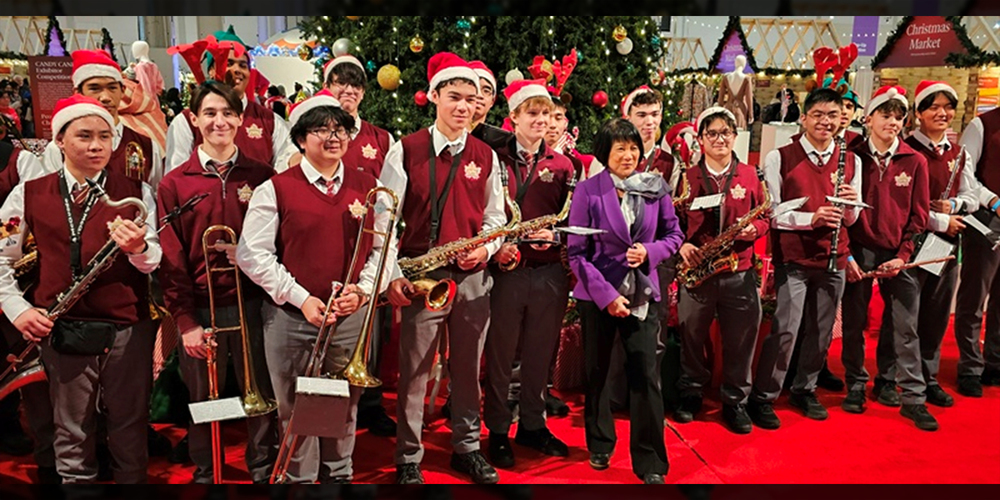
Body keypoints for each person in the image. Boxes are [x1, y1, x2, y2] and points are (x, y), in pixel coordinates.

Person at [0, 94, 162, 483]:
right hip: (63, 329)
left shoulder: (135, 191)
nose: (96, 146)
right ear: (59, 140)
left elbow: (155, 258)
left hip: (128, 328)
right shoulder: (30, 192)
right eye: (84, 136)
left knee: (129, 427)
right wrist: (19, 310)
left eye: (105, 137)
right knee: (71, 431)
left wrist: (138, 248)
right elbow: (1, 258)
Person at [237, 90, 392, 483]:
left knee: (344, 406)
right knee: (296, 408)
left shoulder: (369, 185)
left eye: (340, 129)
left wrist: (363, 290)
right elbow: (252, 254)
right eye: (321, 129)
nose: (333, 137)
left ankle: (339, 476)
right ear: (302, 139)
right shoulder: (276, 188)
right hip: (293, 318)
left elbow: (385, 248)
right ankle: (299, 480)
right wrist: (301, 298)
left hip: (350, 315)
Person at [381, 52, 505, 485]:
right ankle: (408, 456)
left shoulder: (486, 155)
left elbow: (496, 219)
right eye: (454, 97)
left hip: (471, 277)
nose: (463, 107)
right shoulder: (406, 149)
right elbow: (384, 219)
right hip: (423, 277)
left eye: (471, 100)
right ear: (433, 96)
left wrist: (485, 251)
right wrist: (392, 275)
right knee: (413, 371)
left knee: (468, 369)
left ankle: (466, 447)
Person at [157, 80, 279, 483]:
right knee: (206, 395)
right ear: (193, 119)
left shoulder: (263, 175)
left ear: (241, 120)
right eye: (209, 113)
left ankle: (262, 467)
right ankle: (210, 470)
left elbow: (279, 241)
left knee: (259, 391)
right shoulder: (175, 183)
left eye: (228, 113)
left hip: (256, 304)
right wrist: (186, 322)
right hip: (201, 307)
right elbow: (171, 258)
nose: (219, 121)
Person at [567, 118, 683, 484]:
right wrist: (607, 296)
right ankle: (600, 442)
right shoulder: (588, 191)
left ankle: (650, 462)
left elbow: (674, 234)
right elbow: (576, 253)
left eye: (634, 148)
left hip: (643, 295)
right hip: (599, 296)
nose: (629, 155)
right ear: (605, 153)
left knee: (646, 376)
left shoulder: (655, 187)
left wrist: (649, 251)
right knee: (597, 371)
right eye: (620, 148)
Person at [748, 88, 862, 429]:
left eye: (833, 115)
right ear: (804, 117)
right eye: (818, 115)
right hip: (795, 259)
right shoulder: (780, 157)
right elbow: (772, 213)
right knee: (785, 329)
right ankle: (764, 395)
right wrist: (810, 219)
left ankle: (804, 388)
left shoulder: (850, 159)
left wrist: (851, 204)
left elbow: (853, 219)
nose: (825, 122)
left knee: (821, 331)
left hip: (834, 256)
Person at [483, 79, 574, 469]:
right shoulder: (493, 159)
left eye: (546, 114)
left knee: (541, 351)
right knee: (502, 354)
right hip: (507, 271)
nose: (540, 120)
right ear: (513, 118)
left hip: (549, 271)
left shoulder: (565, 165)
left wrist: (553, 234)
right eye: (531, 113)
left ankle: (533, 425)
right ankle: (499, 429)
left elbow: (573, 220)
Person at [840, 85, 933, 430]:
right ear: (869, 118)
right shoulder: (852, 156)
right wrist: (847, 253)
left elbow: (918, 215)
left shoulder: (915, 161)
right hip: (860, 249)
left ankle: (909, 395)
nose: (892, 122)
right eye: (886, 114)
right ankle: (855, 384)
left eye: (898, 116)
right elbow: (842, 207)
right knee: (854, 322)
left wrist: (904, 254)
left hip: (899, 253)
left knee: (905, 326)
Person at [673, 107, 770, 434]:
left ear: (734, 136)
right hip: (698, 271)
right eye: (711, 133)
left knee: (741, 339)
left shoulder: (750, 175)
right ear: (700, 139)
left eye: (725, 133)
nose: (719, 139)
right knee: (690, 336)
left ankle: (735, 400)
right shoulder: (688, 177)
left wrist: (754, 230)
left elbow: (764, 216)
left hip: (737, 270)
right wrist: (681, 246)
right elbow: (671, 222)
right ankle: (690, 391)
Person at [890, 80, 980, 409]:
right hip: (912, 243)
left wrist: (954, 208)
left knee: (937, 315)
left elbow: (971, 195)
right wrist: (939, 219)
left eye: (947, 107)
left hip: (946, 245)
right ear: (919, 113)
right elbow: (899, 205)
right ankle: (892, 379)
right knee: (904, 318)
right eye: (933, 107)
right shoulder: (905, 150)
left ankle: (927, 378)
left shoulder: (959, 153)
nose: (942, 113)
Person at [166, 29, 296, 175]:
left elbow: (285, 168)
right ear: (211, 71)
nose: (237, 70)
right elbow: (176, 175)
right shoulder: (185, 122)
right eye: (229, 63)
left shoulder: (270, 121)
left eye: (243, 65)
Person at [41, 50, 164, 188]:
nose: (105, 97)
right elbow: (49, 194)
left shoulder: (146, 146)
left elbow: (155, 194)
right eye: (95, 88)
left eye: (112, 88)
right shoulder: (59, 148)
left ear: (122, 90)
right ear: (78, 93)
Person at [955, 101, 1000, 397]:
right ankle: (970, 365)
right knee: (975, 293)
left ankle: (995, 360)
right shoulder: (982, 125)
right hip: (987, 218)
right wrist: (994, 201)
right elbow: (965, 175)